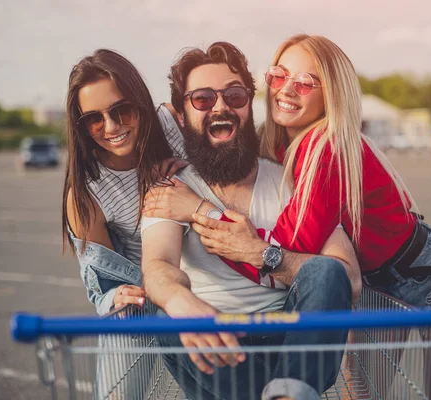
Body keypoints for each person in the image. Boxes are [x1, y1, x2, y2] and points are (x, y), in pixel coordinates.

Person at [146, 34, 431, 311]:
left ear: (331, 94)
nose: (286, 90)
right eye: (278, 76)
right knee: (363, 382)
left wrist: (197, 210)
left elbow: (279, 249)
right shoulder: (277, 143)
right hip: (374, 274)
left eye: (305, 83)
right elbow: (220, 150)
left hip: (422, 273)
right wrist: (186, 166)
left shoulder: (327, 150)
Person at [140, 41, 361, 400]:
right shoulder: (171, 191)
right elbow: (158, 265)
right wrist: (179, 298)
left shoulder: (291, 180)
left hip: (291, 338)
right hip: (215, 341)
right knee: (166, 314)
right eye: (202, 99)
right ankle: (287, 393)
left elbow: (345, 276)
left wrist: (266, 255)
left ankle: (287, 391)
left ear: (250, 104)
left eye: (235, 95)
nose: (221, 106)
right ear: (182, 116)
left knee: (325, 270)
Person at [62, 49, 186, 316]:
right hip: (161, 310)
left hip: (224, 286)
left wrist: (195, 171)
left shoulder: (173, 124)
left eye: (123, 110)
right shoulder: (88, 193)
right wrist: (116, 296)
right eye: (94, 119)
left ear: (139, 101)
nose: (111, 127)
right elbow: (104, 285)